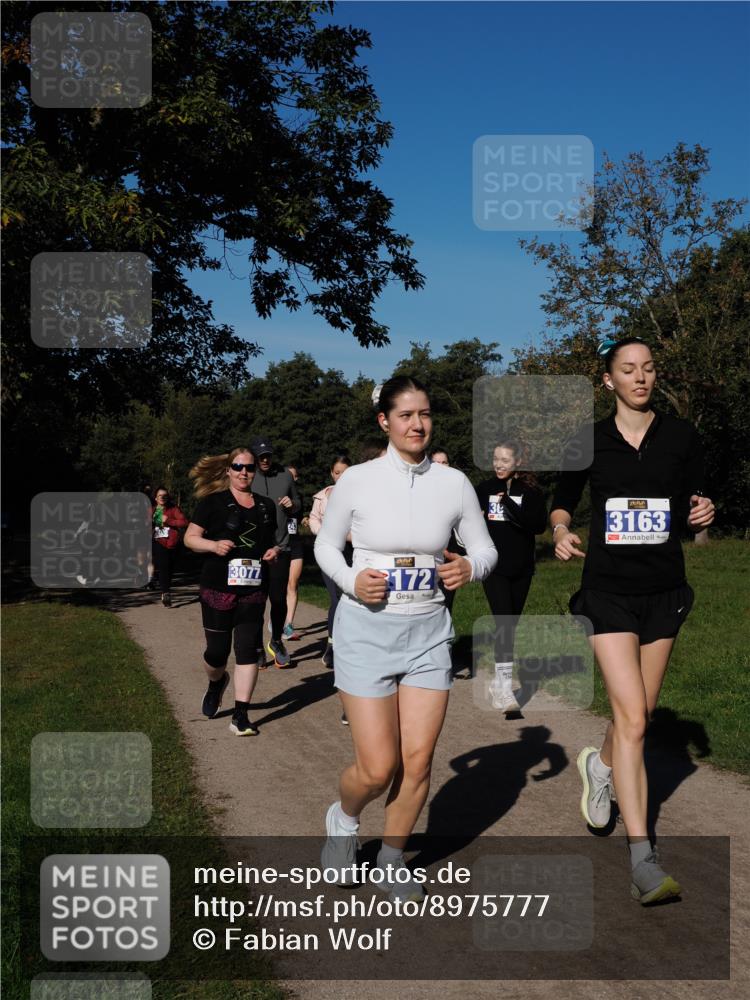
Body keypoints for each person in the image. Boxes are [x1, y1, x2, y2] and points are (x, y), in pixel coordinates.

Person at [314, 376, 497, 901]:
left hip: (429, 635)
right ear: (385, 421)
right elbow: (326, 546)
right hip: (366, 632)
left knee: (417, 762)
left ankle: (392, 860)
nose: (418, 424)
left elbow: (485, 549)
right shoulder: (359, 480)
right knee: (377, 769)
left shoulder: (453, 483)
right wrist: (351, 580)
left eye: (425, 414)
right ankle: (344, 820)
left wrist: (470, 568)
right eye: (406, 415)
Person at [550, 337, 715, 905]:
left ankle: (599, 766)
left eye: (647, 368)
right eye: (628, 369)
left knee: (636, 715)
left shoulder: (682, 436)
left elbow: (695, 502)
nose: (640, 377)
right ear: (609, 380)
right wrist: (561, 528)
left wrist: (704, 510)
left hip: (663, 590)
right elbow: (563, 498)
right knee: (635, 722)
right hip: (609, 592)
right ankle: (643, 859)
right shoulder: (588, 439)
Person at [184, 447, 281, 736]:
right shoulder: (212, 503)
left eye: (249, 467)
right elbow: (190, 538)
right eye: (238, 466)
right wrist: (213, 546)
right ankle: (216, 682)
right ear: (228, 470)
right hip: (218, 587)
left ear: (255, 471)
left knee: (247, 650)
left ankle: (240, 716)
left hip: (253, 590)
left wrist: (273, 552)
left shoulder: (266, 506)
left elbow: (271, 543)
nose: (244, 472)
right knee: (217, 654)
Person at [475, 441, 547, 712]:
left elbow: (537, 526)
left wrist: (508, 504)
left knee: (511, 626)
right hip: (494, 568)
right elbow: (469, 523)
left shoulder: (531, 491)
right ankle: (505, 688)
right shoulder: (484, 489)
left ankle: (498, 682)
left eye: (505, 460)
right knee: (504, 623)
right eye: (495, 459)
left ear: (518, 462)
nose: (498, 464)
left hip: (522, 568)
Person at [250, 437, 302, 668]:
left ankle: (276, 641)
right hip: (254, 550)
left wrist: (293, 504)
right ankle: (256, 646)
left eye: (268, 455)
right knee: (255, 601)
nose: (265, 460)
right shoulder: (247, 476)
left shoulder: (285, 475)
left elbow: (298, 502)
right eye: (261, 456)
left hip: (281, 547)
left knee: (279, 599)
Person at [309, 454, 353, 669]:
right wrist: (325, 534)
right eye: (337, 473)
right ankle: (332, 645)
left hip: (354, 553)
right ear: (331, 474)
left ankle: (353, 644)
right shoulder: (322, 497)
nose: (341, 477)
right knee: (336, 598)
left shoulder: (360, 494)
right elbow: (313, 519)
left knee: (353, 599)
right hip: (329, 552)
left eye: (345, 472)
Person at [428, 448, 466, 617]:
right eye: (437, 463)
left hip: (450, 551)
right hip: (427, 553)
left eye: (444, 463)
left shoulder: (458, 489)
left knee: (447, 599)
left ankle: (446, 631)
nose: (441, 466)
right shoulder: (419, 490)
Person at [151, 487, 188, 607]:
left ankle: (164, 586)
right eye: (160, 495)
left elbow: (184, 522)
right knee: (163, 566)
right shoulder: (152, 510)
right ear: (156, 498)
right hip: (158, 541)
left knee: (170, 568)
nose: (162, 497)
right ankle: (165, 593)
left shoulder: (173, 509)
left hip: (172, 543)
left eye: (165, 495)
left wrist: (169, 521)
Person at [282, 464, 304, 642]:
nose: (290, 479)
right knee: (276, 587)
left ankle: (288, 625)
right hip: (278, 546)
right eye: (287, 476)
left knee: (292, 584)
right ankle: (277, 617)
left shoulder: (299, 498)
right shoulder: (275, 495)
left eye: (293, 476)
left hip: (295, 544)